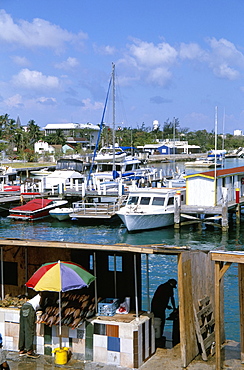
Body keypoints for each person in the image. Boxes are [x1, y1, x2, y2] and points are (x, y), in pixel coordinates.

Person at [18, 293, 43, 358]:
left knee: (22, 329)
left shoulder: (37, 296)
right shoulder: (42, 296)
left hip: (24, 307)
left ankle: (21, 350)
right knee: (29, 330)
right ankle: (29, 351)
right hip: (29, 308)